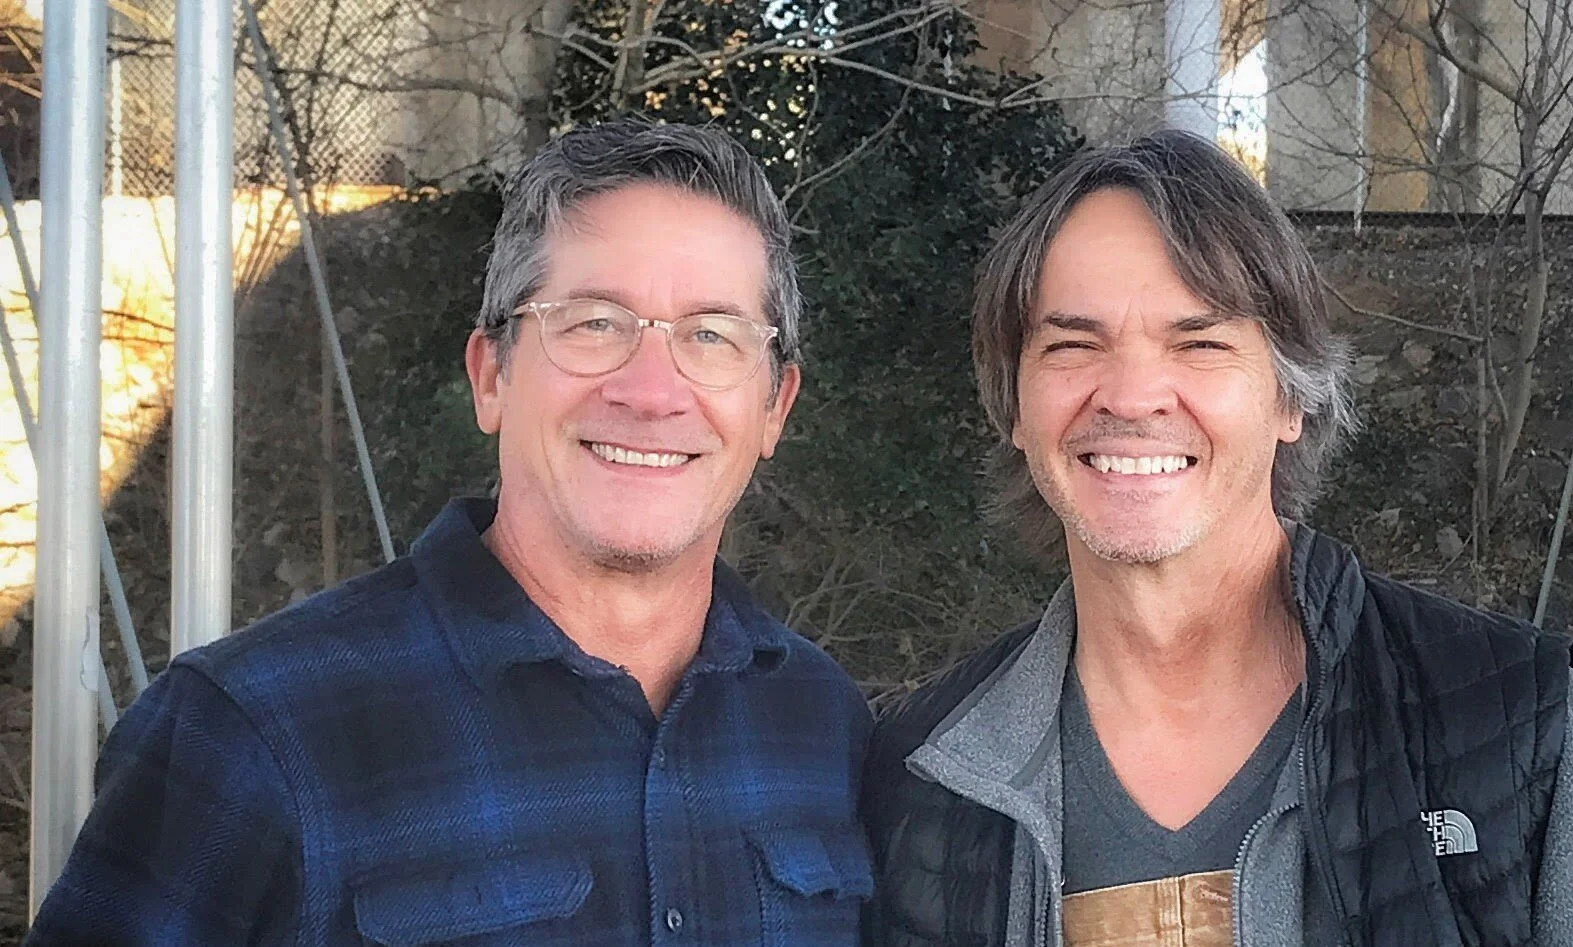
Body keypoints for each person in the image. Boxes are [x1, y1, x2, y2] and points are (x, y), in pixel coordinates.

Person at [27, 120, 872, 946]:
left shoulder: (824, 727)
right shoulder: (246, 731)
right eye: (594, 322)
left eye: (712, 335)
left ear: (774, 406)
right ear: (491, 376)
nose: (652, 391)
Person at [862, 130, 1572, 947]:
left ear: (1290, 397)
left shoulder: (1526, 725)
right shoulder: (915, 774)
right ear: (1013, 407)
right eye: (1072, 344)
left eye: (1199, 343)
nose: (1131, 396)